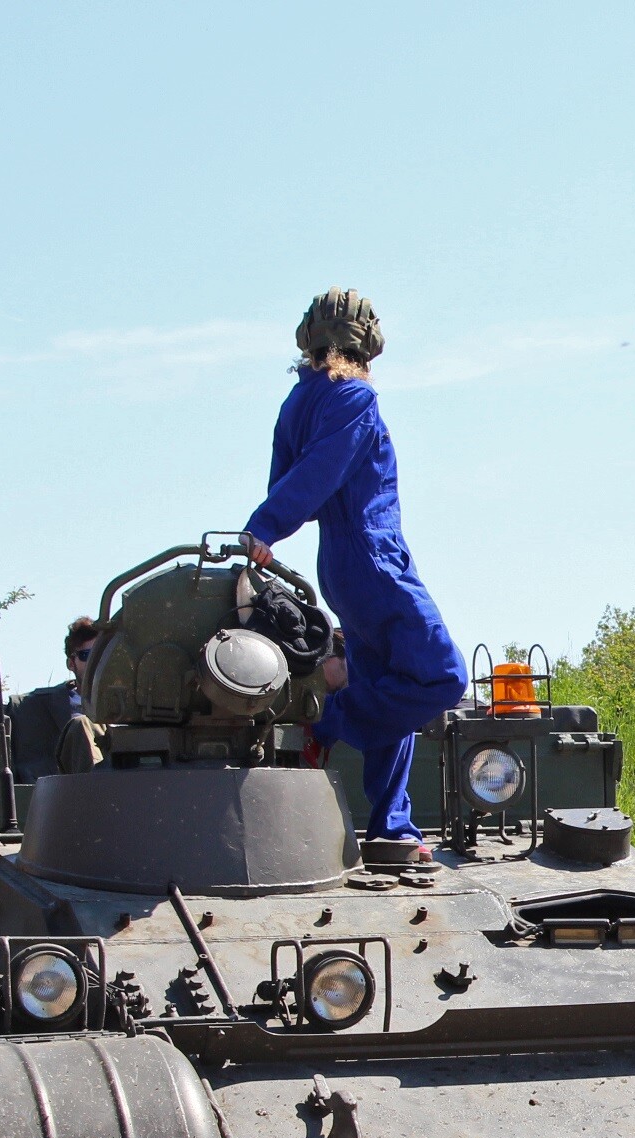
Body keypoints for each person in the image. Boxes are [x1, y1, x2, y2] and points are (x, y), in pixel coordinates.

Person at [240, 289, 464, 858]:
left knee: (385, 683)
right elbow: (323, 469)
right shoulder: (354, 398)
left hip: (338, 563)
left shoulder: (299, 401)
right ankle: (328, 721)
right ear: (364, 344)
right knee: (440, 678)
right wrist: (266, 525)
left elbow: (289, 478)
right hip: (373, 556)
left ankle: (391, 827)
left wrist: (270, 523)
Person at [7, 615, 97, 783]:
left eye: (103, 654)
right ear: (71, 663)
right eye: (87, 655)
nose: (96, 662)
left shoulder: (141, 707)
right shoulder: (31, 709)